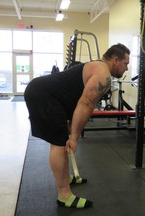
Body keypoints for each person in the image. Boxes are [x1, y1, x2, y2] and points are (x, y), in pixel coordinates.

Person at [24, 43, 130, 209]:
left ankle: (65, 177)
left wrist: (71, 130)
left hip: (45, 94)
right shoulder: (104, 75)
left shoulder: (97, 66)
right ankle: (64, 194)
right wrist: (74, 137)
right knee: (59, 144)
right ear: (116, 60)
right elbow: (85, 104)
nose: (127, 69)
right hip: (43, 95)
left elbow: (77, 101)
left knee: (61, 141)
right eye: (126, 63)